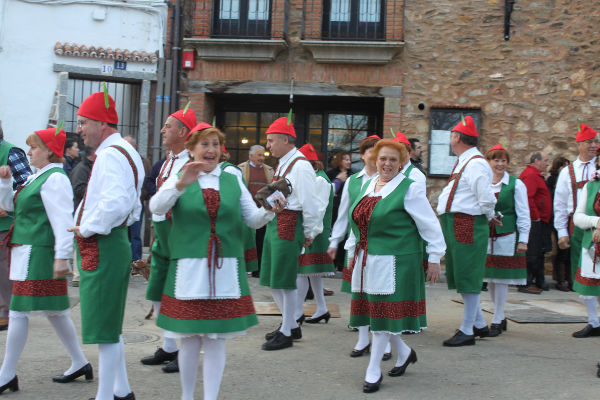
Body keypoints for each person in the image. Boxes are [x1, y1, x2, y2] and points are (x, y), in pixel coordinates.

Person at [149, 126, 283, 400]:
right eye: (204, 144)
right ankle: (187, 396)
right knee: (189, 340)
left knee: (216, 342)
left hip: (224, 270)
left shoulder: (232, 178)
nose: (211, 150)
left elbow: (252, 219)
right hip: (189, 270)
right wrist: (180, 185)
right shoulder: (179, 175)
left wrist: (270, 211)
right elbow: (156, 208)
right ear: (191, 149)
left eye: (215, 144)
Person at [347, 139, 445, 393]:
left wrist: (435, 257)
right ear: (375, 160)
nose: (387, 164)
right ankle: (404, 352)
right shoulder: (368, 185)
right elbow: (356, 222)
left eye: (393, 159)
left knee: (382, 315)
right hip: (367, 258)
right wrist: (351, 250)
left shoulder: (409, 189)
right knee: (377, 313)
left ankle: (373, 369)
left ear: (402, 163)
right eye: (383, 158)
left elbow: (430, 224)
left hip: (394, 262)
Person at [0, 127, 91, 394]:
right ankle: (80, 362)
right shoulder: (37, 177)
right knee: (56, 311)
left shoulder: (55, 179)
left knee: (18, 312)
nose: (29, 152)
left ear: (50, 151)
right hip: (28, 251)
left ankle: (6, 374)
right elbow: (12, 207)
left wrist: (62, 257)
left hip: (38, 253)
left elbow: (63, 221)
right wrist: (5, 181)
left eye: (34, 147)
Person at [71, 90, 144, 400]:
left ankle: (105, 396)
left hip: (104, 243)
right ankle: (121, 391)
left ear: (101, 123)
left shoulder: (112, 154)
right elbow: (131, 204)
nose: (79, 129)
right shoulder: (124, 151)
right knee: (109, 324)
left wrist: (87, 227)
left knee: (105, 328)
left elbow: (117, 203)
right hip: (110, 243)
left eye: (83, 122)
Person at [141, 107, 197, 374]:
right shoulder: (167, 161)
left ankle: (185, 349)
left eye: (167, 126)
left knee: (180, 292)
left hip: (179, 234)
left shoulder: (190, 163)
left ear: (183, 132)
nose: (162, 130)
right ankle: (169, 345)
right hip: (162, 232)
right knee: (157, 288)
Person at [261, 116, 321, 351]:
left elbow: (311, 203)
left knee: (285, 281)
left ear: (285, 140)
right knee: (273, 279)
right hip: (276, 222)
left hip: (289, 224)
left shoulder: (301, 166)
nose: (268, 145)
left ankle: (287, 331)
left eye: (271, 140)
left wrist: (310, 231)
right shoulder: (283, 163)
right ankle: (291, 324)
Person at [437, 116, 498, 347]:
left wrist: (490, 215)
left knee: (468, 275)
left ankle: (466, 330)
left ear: (457, 138)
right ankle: (479, 324)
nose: (450, 139)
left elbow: (486, 197)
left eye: (451, 135)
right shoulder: (466, 160)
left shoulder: (475, 163)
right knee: (463, 273)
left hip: (467, 222)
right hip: (458, 222)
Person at [328, 135, 382, 357]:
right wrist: (334, 242)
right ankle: (362, 339)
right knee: (359, 292)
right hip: (357, 243)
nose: (375, 156)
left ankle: (383, 340)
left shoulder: (390, 179)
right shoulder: (353, 181)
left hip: (381, 244)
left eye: (379, 152)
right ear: (362, 155)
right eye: (371, 151)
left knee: (380, 292)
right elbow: (343, 216)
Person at [483, 144, 530, 336]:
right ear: (488, 162)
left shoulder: (516, 184)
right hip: (486, 236)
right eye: (496, 160)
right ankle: (500, 317)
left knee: (501, 279)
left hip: (507, 236)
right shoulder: (484, 182)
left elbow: (524, 213)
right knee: (491, 278)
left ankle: (497, 318)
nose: (500, 164)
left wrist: (523, 239)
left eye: (503, 160)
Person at [294, 144, 335, 325]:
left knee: (302, 272)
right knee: (312, 273)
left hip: (315, 231)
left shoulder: (319, 180)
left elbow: (318, 209)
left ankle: (297, 312)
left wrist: (309, 232)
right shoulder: (315, 178)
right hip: (314, 230)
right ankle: (322, 308)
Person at [554, 123, 598, 291]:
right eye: (589, 142)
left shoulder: (598, 167)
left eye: (595, 141)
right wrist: (562, 232)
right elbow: (560, 204)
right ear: (579, 144)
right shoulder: (567, 171)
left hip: (598, 224)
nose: (593, 145)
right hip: (576, 225)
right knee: (580, 271)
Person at [0, 121, 31, 331]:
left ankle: (7, 313)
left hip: (5, 223)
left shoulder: (11, 152)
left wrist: (9, 206)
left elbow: (27, 188)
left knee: (4, 269)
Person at [571, 145, 600, 340]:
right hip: (591, 243)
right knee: (588, 287)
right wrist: (596, 222)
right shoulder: (591, 186)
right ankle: (594, 322)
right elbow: (578, 217)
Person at [518, 152, 552, 294]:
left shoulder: (535, 175)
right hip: (535, 221)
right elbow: (528, 197)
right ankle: (526, 282)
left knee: (538, 252)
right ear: (536, 160)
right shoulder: (531, 175)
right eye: (545, 160)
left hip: (540, 221)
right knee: (531, 252)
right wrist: (535, 216)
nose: (548, 163)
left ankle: (537, 281)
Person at [238, 145, 274, 277]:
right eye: (259, 155)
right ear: (251, 156)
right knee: (245, 240)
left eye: (263, 155)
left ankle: (258, 268)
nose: (262, 158)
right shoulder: (240, 169)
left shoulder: (269, 170)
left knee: (261, 240)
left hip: (263, 209)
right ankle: (244, 266)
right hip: (246, 210)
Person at [69, 146, 96, 287]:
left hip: (87, 211)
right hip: (81, 211)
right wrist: (96, 191)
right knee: (79, 242)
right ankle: (78, 275)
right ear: (92, 153)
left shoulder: (89, 166)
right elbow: (78, 189)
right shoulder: (81, 168)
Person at [123, 135, 151, 262]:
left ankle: (136, 261)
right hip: (123, 202)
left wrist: (142, 194)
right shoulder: (120, 159)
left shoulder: (144, 161)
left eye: (130, 145)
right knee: (122, 233)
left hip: (137, 201)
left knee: (135, 234)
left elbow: (148, 180)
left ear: (135, 146)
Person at [547, 156, 572, 291]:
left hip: (570, 219)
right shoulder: (552, 180)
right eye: (563, 165)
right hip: (558, 219)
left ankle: (569, 278)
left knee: (570, 251)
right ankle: (560, 279)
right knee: (562, 251)